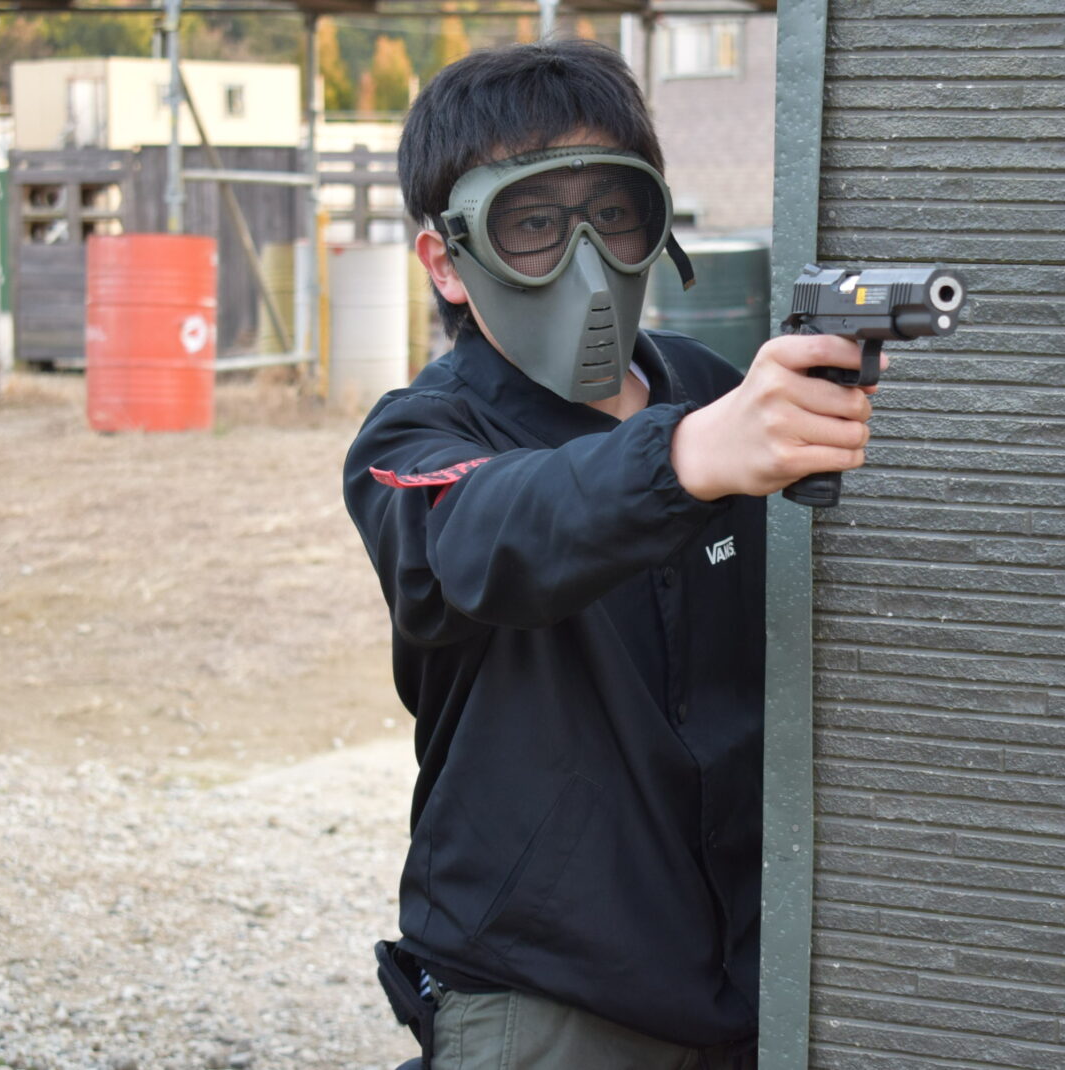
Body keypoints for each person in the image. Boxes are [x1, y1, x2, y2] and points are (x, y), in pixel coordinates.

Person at [343, 38, 877, 1070]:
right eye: (533, 224)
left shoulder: (712, 389)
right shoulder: (416, 439)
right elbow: (475, 539)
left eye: (613, 214)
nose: (584, 260)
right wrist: (685, 458)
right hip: (548, 995)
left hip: (750, 981)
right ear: (447, 262)